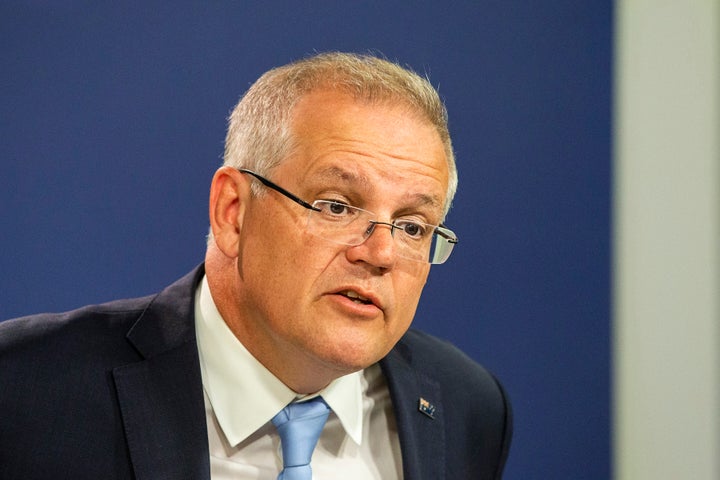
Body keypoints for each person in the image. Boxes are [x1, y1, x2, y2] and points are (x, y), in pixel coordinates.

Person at [0, 52, 512, 479]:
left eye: (413, 227)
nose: (379, 254)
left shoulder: (467, 406)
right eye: (336, 206)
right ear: (234, 212)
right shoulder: (25, 392)